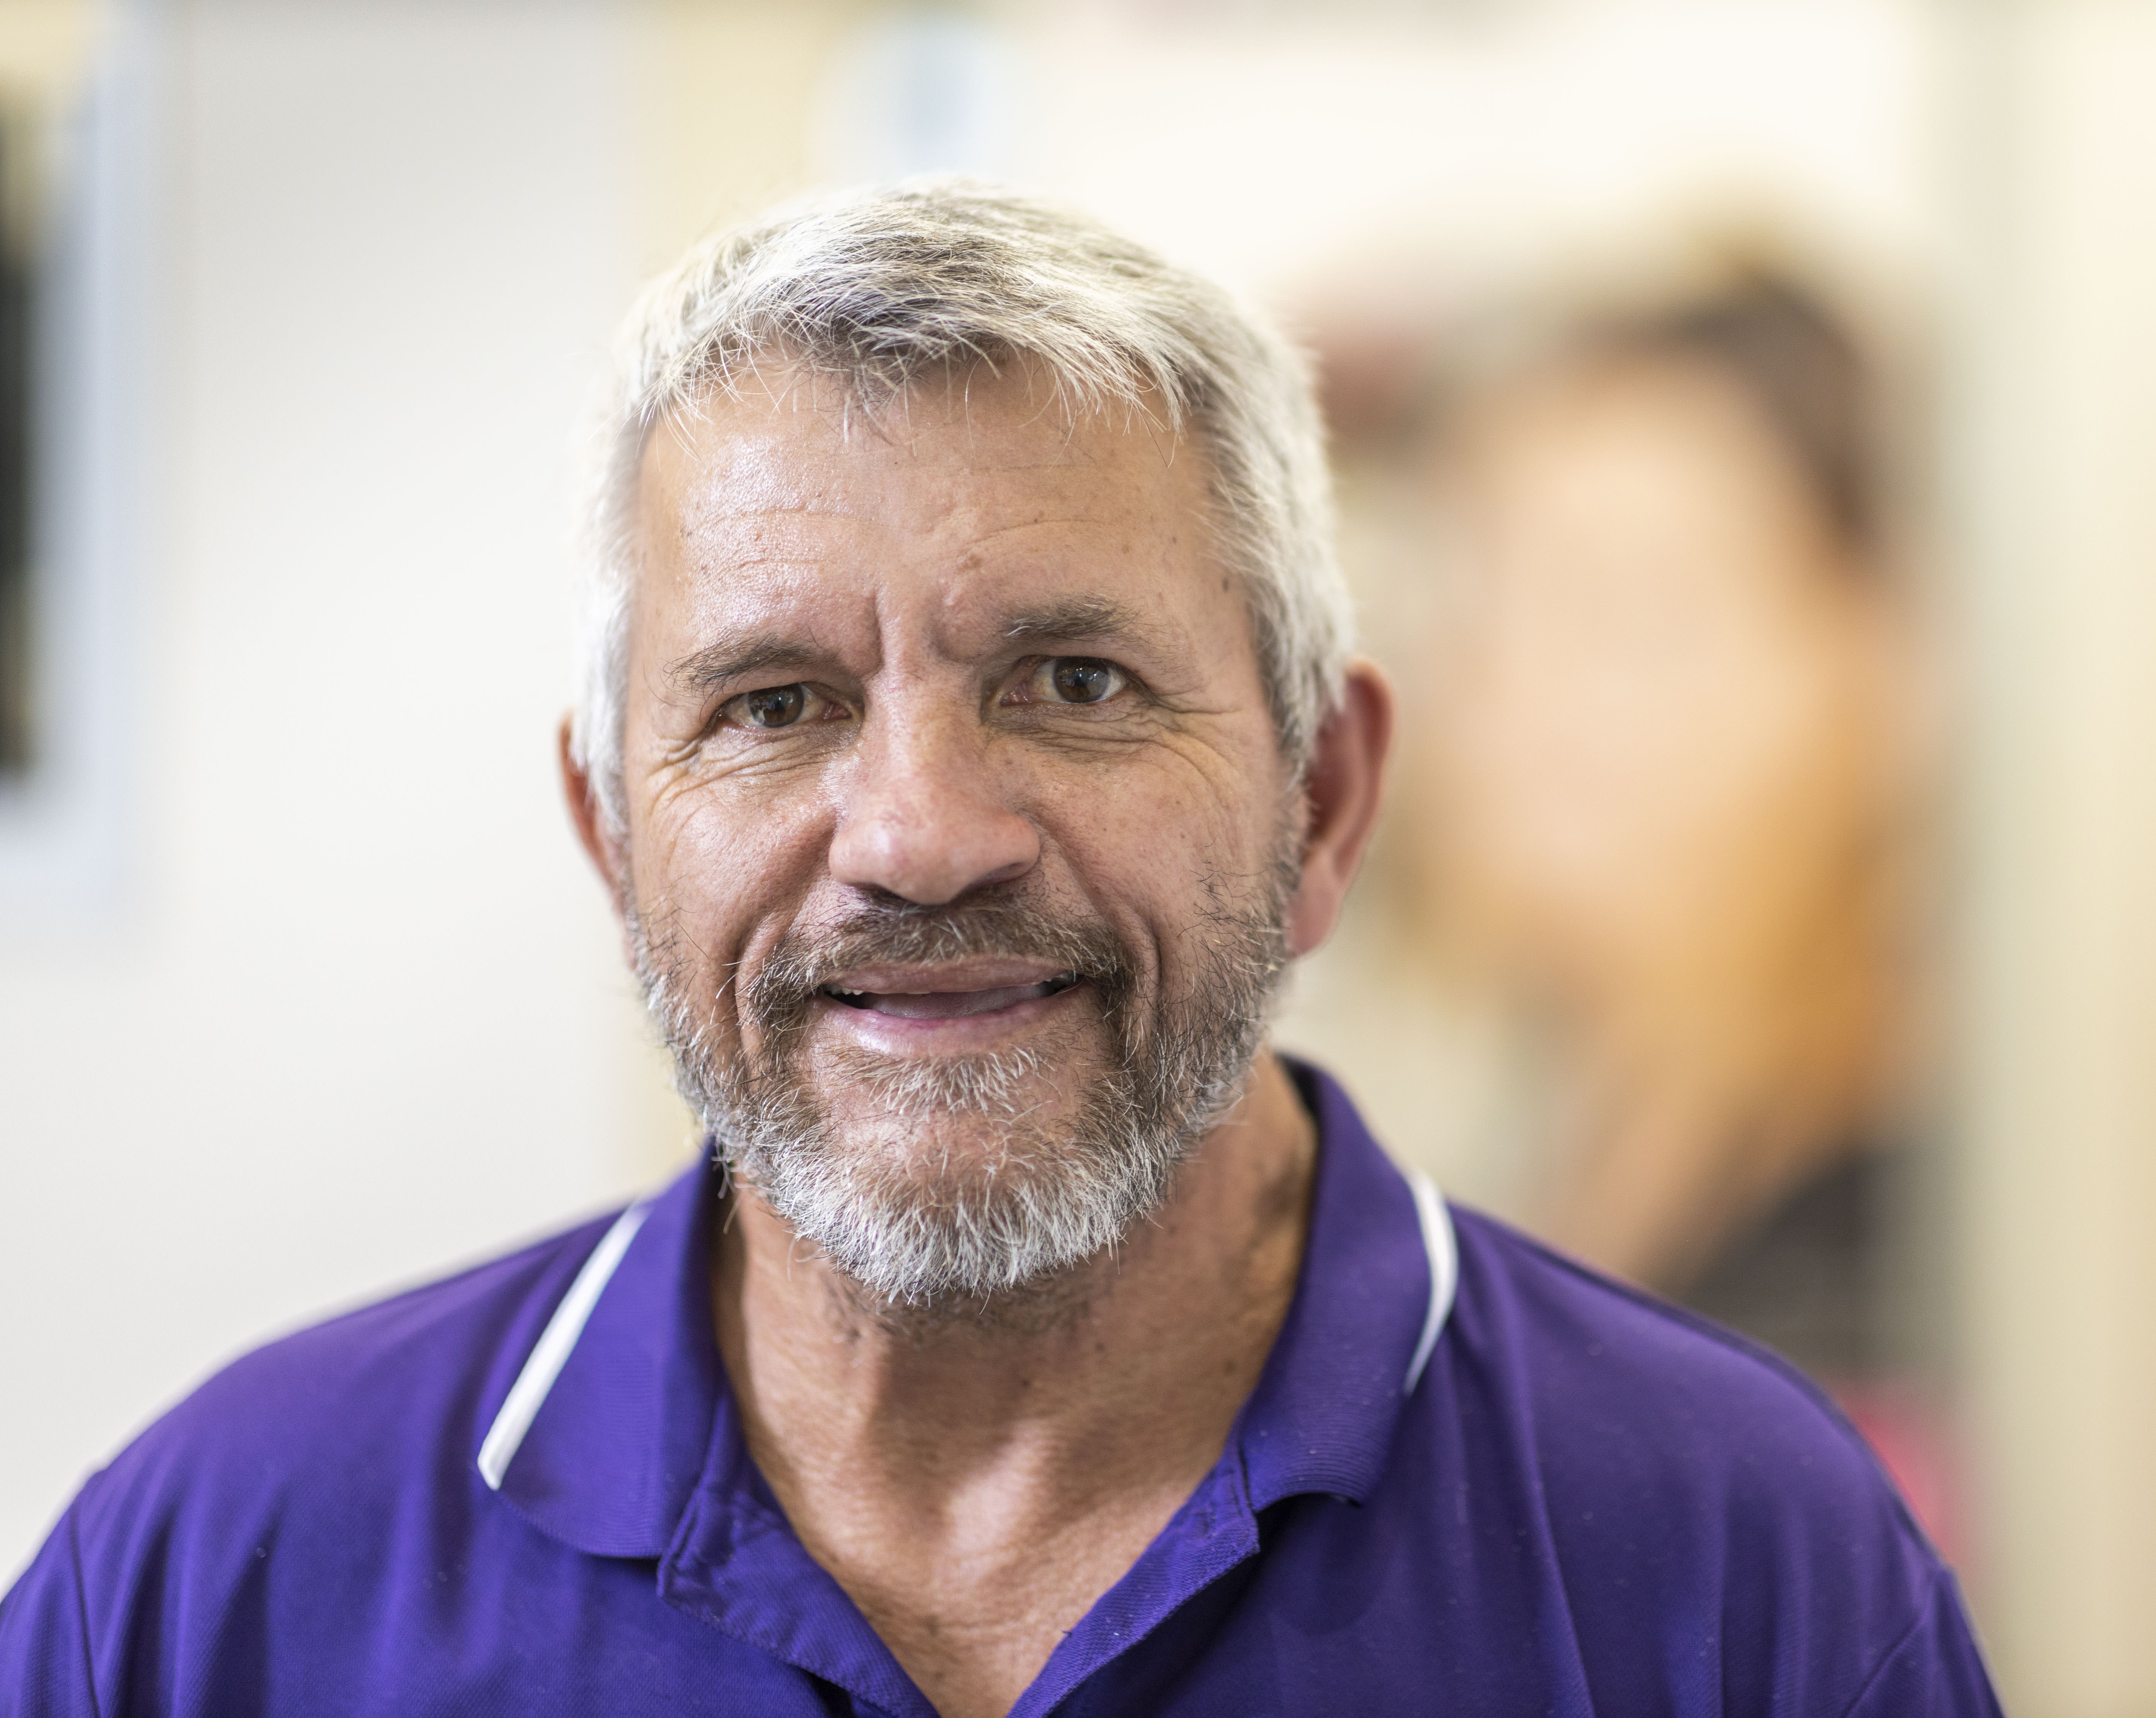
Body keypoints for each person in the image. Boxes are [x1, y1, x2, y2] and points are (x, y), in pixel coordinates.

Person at [0, 183, 2000, 1716]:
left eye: (1071, 680)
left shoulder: (1741, 1569)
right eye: (775, 703)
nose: (917, 836)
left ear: (1322, 801)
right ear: (616, 833)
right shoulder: (221, 1586)